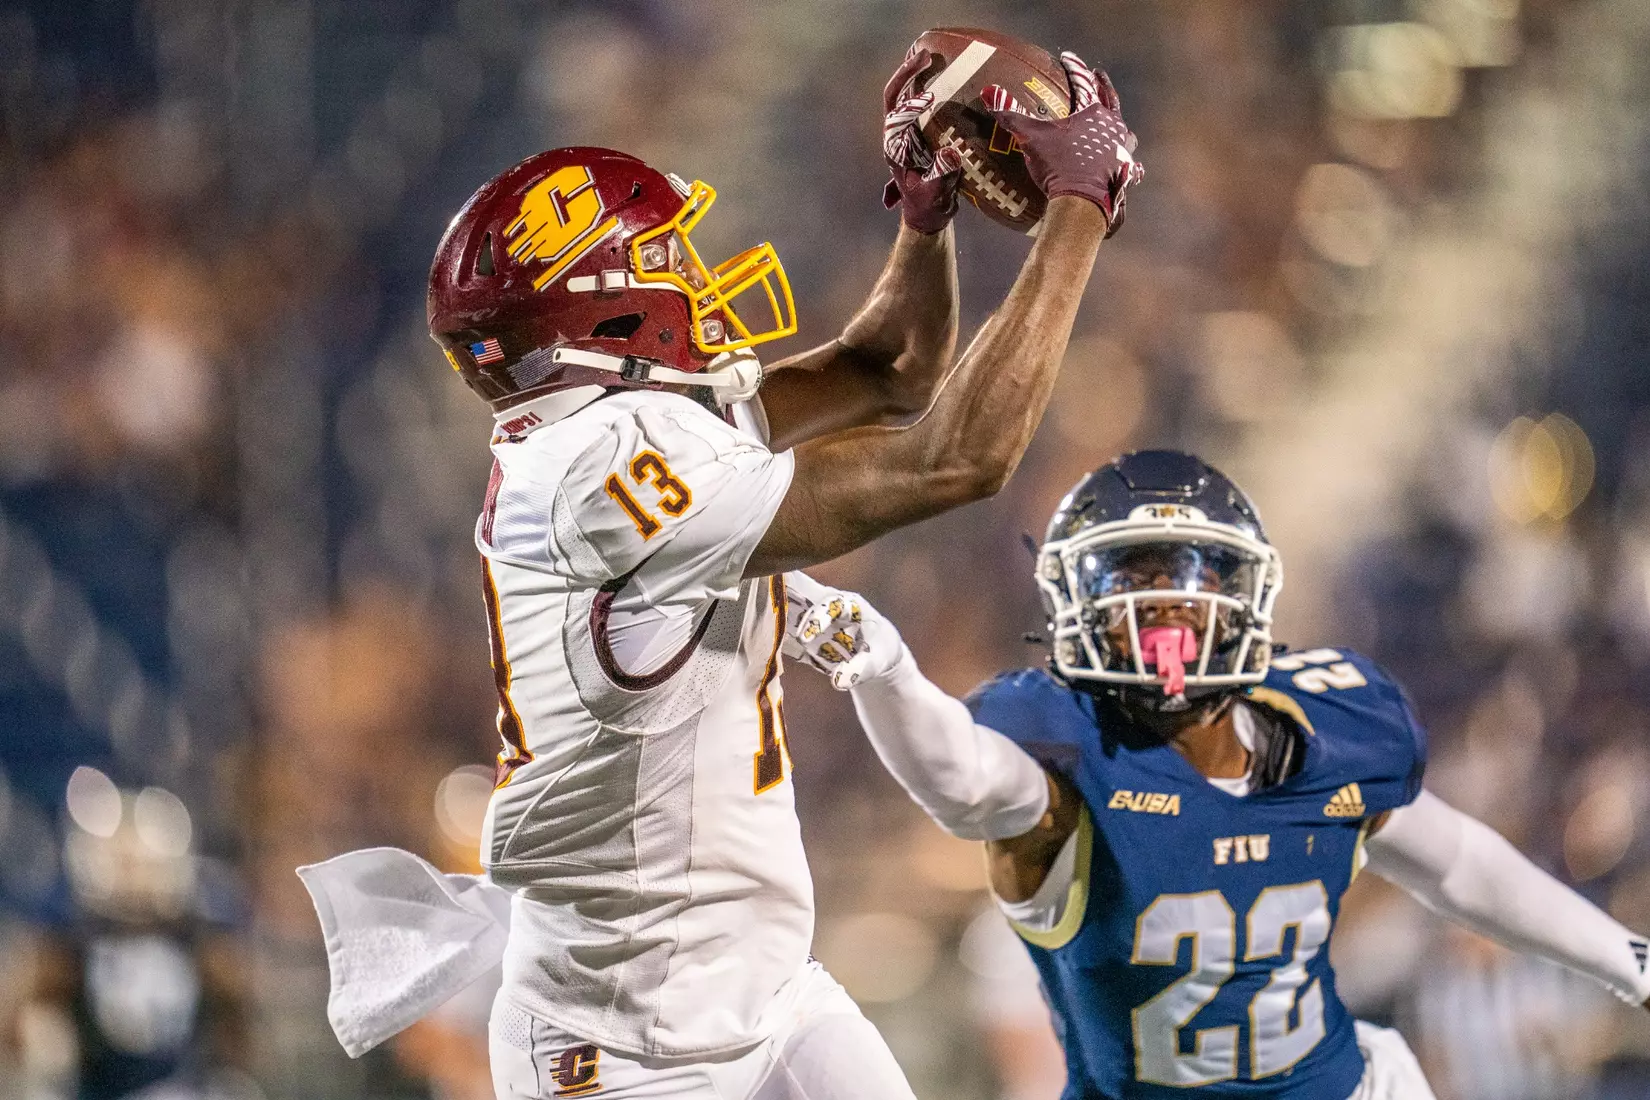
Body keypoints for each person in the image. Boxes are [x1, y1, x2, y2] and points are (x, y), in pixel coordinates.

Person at [298, 47, 1144, 1100]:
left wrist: (924, 219)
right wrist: (1078, 203)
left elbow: (890, 371)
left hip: (765, 991)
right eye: (662, 253)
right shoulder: (598, 471)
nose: (689, 270)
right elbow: (958, 456)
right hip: (622, 1046)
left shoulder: (610, 429)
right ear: (599, 304)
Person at [785, 449, 1650, 1100]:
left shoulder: (1329, 727)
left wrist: (1629, 962)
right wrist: (882, 668)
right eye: (1135, 582)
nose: (1166, 608)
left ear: (1247, 594)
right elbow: (961, 777)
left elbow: (1458, 861)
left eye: (1189, 581)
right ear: (1075, 610)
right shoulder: (1058, 758)